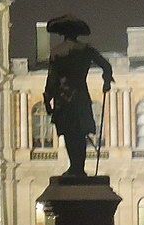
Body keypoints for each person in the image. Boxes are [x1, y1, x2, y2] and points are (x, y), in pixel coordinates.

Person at [43, 15, 114, 177]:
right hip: (81, 96)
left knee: (69, 133)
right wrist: (106, 82)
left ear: (63, 33)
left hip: (63, 99)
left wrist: (48, 100)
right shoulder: (86, 50)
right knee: (81, 133)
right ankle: (78, 168)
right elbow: (106, 66)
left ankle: (74, 167)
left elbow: (52, 79)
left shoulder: (57, 52)